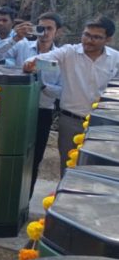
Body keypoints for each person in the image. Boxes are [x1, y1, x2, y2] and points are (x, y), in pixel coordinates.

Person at [24, 16, 119, 175]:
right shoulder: (69, 53)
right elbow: (36, 62)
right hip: (71, 122)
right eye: (86, 34)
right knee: (68, 169)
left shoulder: (115, 59)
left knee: (98, 171)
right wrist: (32, 64)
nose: (88, 40)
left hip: (103, 124)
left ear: (108, 39)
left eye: (96, 37)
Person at [0, 12, 62, 195]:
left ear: (57, 32)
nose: (44, 32)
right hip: (16, 109)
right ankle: (2, 195)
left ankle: (24, 200)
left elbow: (64, 91)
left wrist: (43, 86)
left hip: (42, 112)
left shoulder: (62, 57)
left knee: (34, 158)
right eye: (41, 28)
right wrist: (15, 37)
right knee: (6, 153)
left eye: (49, 29)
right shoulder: (22, 46)